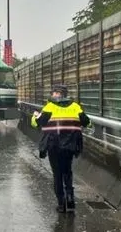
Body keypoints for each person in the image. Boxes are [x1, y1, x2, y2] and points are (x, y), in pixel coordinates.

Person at [31, 84, 91, 213]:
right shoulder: (75, 107)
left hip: (54, 146)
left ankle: (61, 203)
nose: (54, 95)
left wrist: (35, 115)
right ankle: (70, 200)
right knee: (67, 171)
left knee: (57, 174)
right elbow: (87, 122)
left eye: (54, 93)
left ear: (54, 94)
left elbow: (37, 123)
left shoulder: (49, 107)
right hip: (70, 146)